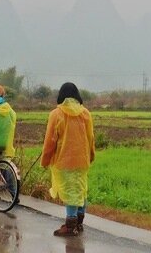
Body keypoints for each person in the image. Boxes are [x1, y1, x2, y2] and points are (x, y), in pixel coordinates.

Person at [41, 82, 94, 237]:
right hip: (82, 159)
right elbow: (90, 138)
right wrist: (90, 155)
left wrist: (45, 159)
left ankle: (70, 225)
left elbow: (50, 140)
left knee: (71, 191)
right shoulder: (86, 114)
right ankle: (79, 221)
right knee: (80, 189)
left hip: (64, 160)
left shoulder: (56, 114)